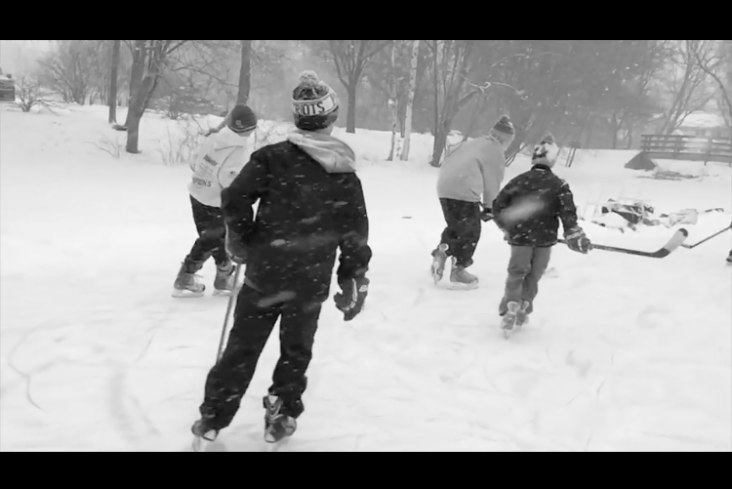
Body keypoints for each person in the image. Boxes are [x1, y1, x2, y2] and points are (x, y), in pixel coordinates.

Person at [191, 71, 372, 445]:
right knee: (296, 350)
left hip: (266, 273)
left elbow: (235, 198)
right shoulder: (343, 172)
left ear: (299, 118)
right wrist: (352, 276)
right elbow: (354, 232)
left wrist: (242, 240)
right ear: (330, 118)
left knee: (243, 346)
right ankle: (283, 409)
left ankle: (214, 416)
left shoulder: (272, 158)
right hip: (309, 280)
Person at [491, 133, 591, 333]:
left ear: (533, 159)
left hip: (520, 238)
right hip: (545, 239)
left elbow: (498, 206)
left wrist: (507, 227)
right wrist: (574, 234)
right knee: (534, 275)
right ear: (552, 161)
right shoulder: (559, 185)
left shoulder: (519, 181)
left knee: (516, 273)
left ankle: (511, 304)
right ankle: (524, 304)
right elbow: (568, 212)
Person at [172, 104, 258, 298]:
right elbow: (229, 181)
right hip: (215, 202)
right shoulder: (238, 150)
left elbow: (194, 162)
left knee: (214, 238)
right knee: (210, 240)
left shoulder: (213, 138)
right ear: (249, 128)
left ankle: (223, 277)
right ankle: (185, 276)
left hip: (197, 194)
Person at [431, 115, 515, 289]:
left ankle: (442, 253)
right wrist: (490, 207)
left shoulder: (473, 143)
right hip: (464, 189)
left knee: (457, 226)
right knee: (471, 232)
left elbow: (451, 157)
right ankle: (459, 269)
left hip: (445, 188)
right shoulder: (494, 150)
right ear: (505, 140)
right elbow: (492, 181)